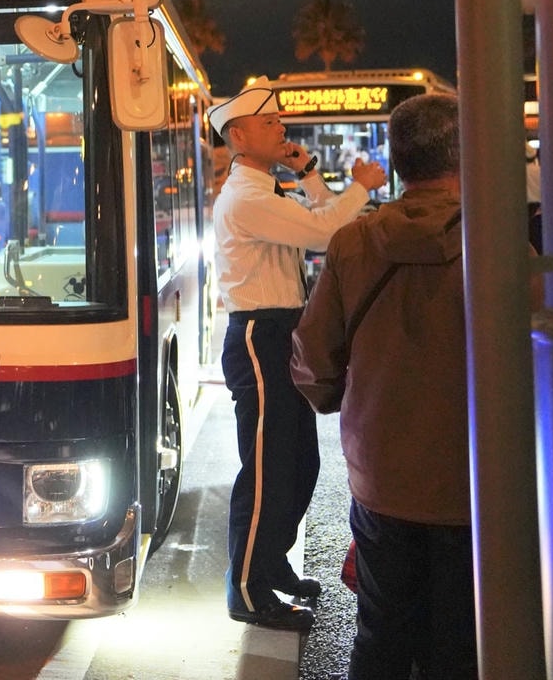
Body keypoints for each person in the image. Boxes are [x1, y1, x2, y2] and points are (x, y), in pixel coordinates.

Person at [290, 93, 478, 678]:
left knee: (382, 633)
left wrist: (331, 395)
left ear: (397, 164)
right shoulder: (498, 242)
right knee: (465, 639)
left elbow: (314, 357)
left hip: (383, 478)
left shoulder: (354, 243)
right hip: (475, 483)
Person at [209, 77, 388, 631]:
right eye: (268, 122)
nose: (280, 127)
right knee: (266, 471)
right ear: (238, 135)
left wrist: (310, 173)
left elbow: (323, 220)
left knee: (298, 463)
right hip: (260, 335)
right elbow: (327, 232)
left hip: (280, 330)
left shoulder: (265, 189)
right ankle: (247, 588)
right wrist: (360, 186)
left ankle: (270, 564)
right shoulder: (246, 197)